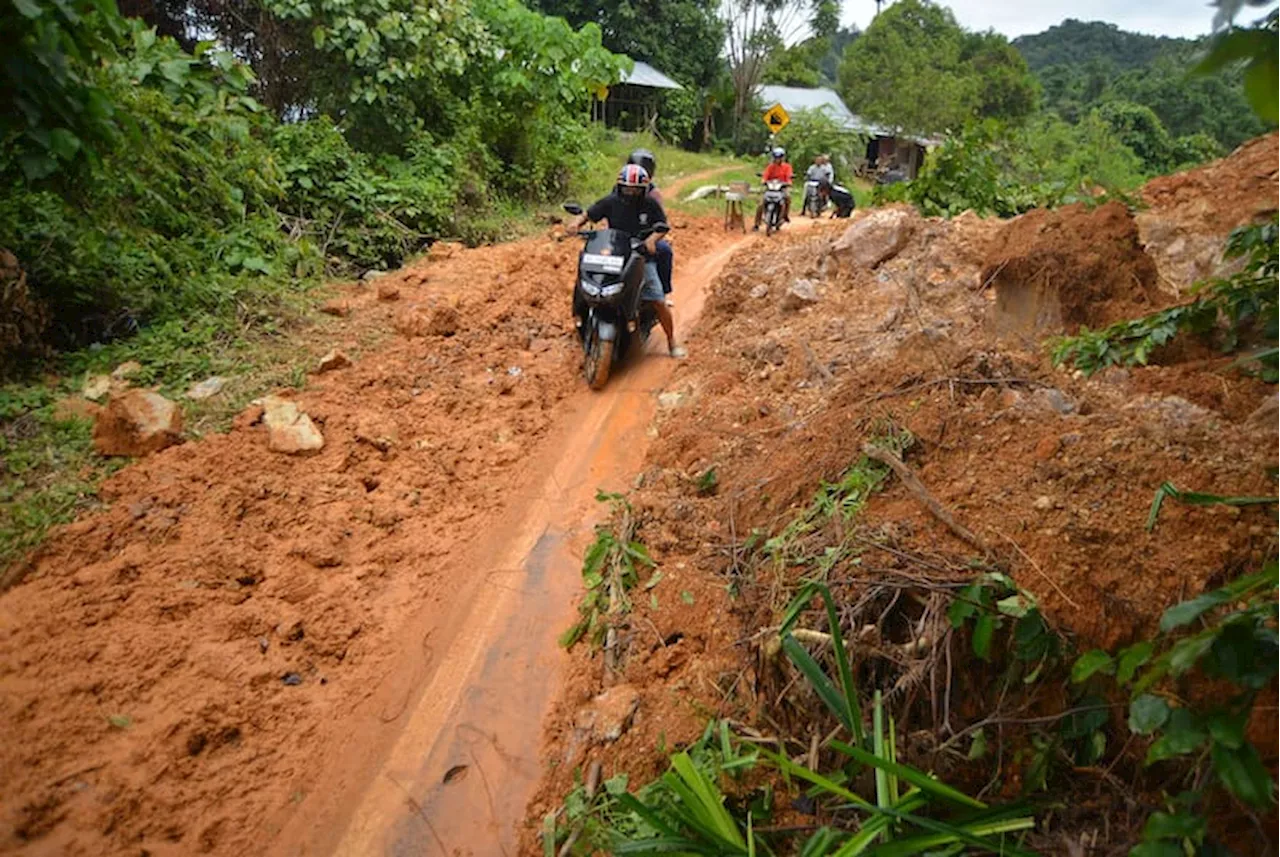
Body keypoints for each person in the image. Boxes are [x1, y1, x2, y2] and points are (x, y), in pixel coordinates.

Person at [567, 164, 686, 358]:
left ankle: (672, 341)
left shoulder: (650, 204)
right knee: (588, 282)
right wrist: (576, 223)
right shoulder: (611, 202)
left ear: (644, 189)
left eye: (635, 189)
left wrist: (652, 239)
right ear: (620, 187)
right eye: (627, 188)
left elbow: (663, 227)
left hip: (639, 256)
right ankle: (583, 321)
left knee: (657, 300)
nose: (630, 193)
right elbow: (590, 214)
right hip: (614, 253)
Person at [626, 148, 674, 302]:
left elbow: (660, 220)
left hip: (645, 237)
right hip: (622, 235)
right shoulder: (621, 187)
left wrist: (653, 237)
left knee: (665, 251)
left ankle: (663, 293)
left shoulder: (653, 194)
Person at [754, 146, 793, 231]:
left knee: (788, 197)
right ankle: (756, 224)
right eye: (776, 158)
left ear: (783, 158)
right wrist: (763, 180)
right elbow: (765, 175)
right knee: (761, 203)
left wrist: (788, 182)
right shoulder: (770, 166)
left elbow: (789, 177)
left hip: (782, 187)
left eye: (779, 157)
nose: (777, 159)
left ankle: (785, 215)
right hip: (771, 187)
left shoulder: (787, 167)